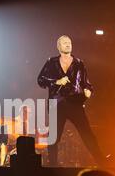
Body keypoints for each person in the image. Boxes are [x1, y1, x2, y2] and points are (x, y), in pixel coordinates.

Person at [37, 35, 107, 166]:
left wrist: (88, 90)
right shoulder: (51, 62)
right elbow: (40, 80)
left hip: (75, 103)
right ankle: (53, 166)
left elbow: (86, 83)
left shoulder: (79, 63)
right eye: (64, 43)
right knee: (54, 137)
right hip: (56, 104)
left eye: (69, 42)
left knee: (87, 134)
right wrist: (56, 81)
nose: (68, 44)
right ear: (59, 47)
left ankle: (101, 161)